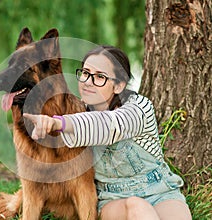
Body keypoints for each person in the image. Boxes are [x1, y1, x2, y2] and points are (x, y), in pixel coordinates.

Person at [23, 45, 192, 219]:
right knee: (137, 206)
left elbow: (109, 125)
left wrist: (58, 122)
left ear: (118, 85)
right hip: (114, 200)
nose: (88, 81)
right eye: (85, 73)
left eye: (99, 77)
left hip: (160, 192)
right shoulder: (77, 113)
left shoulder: (139, 108)